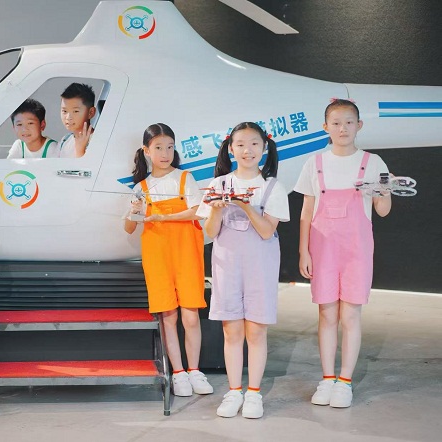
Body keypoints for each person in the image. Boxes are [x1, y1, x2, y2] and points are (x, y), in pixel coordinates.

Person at [295, 99, 391, 409]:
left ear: (359, 125)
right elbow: (306, 212)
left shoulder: (373, 162)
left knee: (350, 315)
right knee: (326, 314)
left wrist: (384, 190)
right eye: (336, 123)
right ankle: (327, 378)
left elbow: (383, 210)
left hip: (356, 250)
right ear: (325, 127)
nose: (343, 128)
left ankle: (345, 381)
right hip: (322, 249)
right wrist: (304, 251)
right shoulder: (314, 163)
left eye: (349, 122)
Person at [198, 122, 289, 419]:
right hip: (227, 268)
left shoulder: (273, 187)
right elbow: (210, 232)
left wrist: (247, 205)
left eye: (253, 144)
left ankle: (254, 393)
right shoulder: (218, 184)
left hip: (260, 268)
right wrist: (217, 209)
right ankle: (234, 391)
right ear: (230, 148)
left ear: (264, 147)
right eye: (240, 144)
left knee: (257, 331)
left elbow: (266, 231)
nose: (247, 150)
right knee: (232, 330)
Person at [123, 123, 214, 398]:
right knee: (168, 316)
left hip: (186, 255)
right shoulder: (141, 187)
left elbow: (198, 212)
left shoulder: (185, 178)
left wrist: (162, 217)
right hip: (158, 258)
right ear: (146, 151)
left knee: (190, 316)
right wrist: (135, 210)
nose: (165, 153)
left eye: (170, 147)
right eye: (159, 148)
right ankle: (178, 373)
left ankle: (195, 370)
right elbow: (129, 227)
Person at [58, 83, 96, 158]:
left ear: (91, 112)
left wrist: (80, 151)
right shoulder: (65, 140)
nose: (68, 117)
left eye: (75, 111)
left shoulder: (98, 141)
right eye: (64, 111)